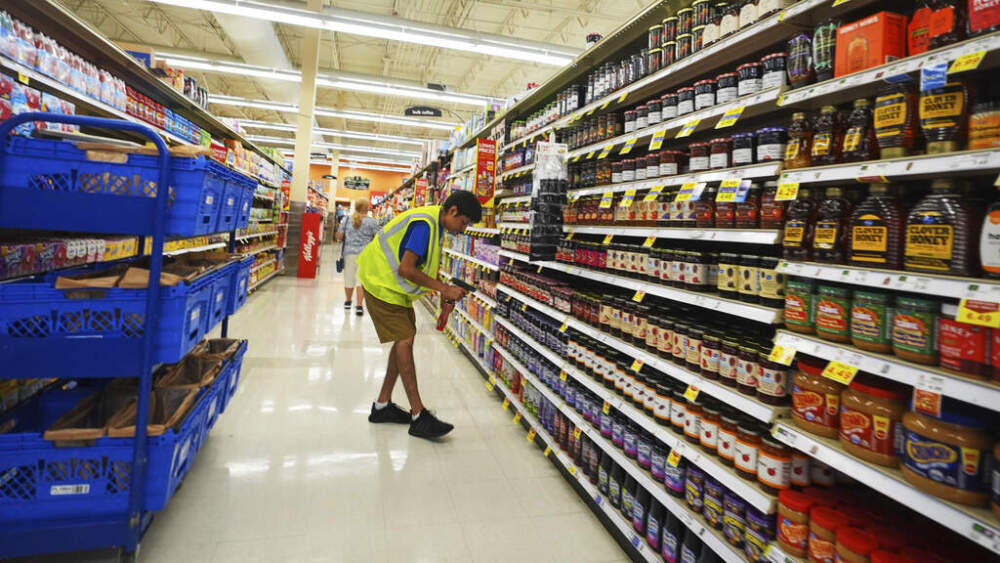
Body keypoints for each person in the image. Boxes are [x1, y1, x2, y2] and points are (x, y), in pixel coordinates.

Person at [357, 190, 482, 439]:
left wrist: (442, 291)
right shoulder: (426, 225)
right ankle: (418, 415)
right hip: (380, 282)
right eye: (464, 223)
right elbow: (406, 269)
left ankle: (382, 406)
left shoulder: (434, 223)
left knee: (403, 338)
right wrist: (444, 288)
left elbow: (419, 267)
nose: (463, 229)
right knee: (405, 340)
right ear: (453, 211)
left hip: (391, 286)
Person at [336, 198, 379, 316]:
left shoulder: (346, 220)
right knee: (361, 280)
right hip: (365, 255)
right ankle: (359, 305)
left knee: (349, 278)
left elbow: (339, 236)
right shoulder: (373, 222)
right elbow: (378, 239)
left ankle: (348, 302)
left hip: (349, 253)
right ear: (367, 208)